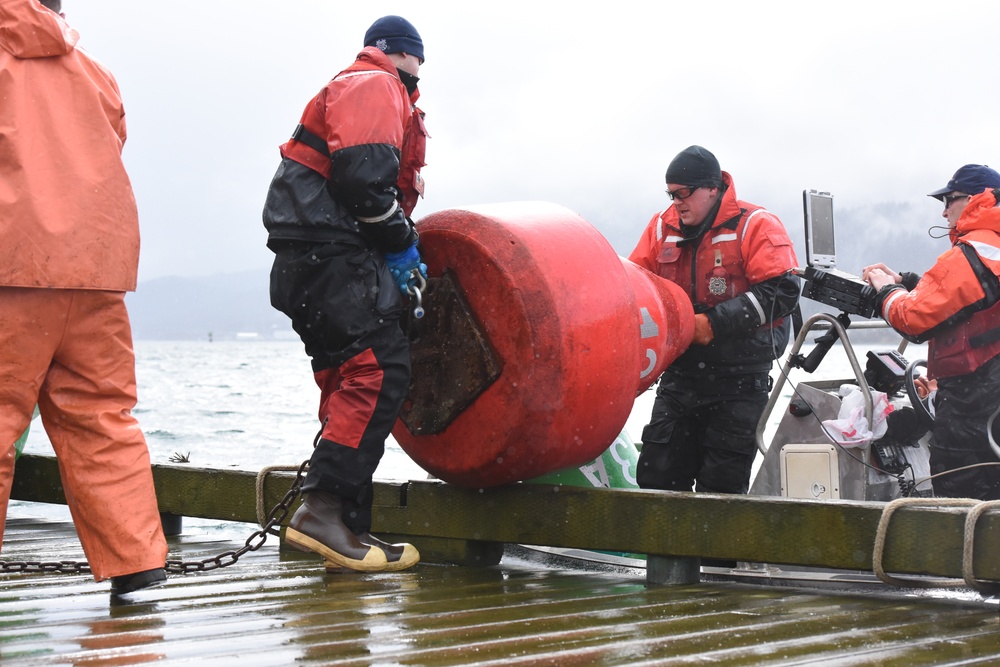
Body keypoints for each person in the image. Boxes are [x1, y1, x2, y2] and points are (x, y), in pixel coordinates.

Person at [0, 0, 168, 594]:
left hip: (13, 268)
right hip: (95, 269)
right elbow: (112, 141)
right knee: (102, 416)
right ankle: (137, 562)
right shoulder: (94, 71)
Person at [262, 16, 429, 572]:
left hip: (309, 259)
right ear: (405, 57)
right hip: (330, 254)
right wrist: (402, 244)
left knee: (347, 375)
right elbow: (363, 181)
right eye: (417, 63)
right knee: (378, 370)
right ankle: (323, 509)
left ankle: (346, 528)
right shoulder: (374, 83)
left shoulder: (364, 87)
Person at [629, 146, 800, 495]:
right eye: (671, 194)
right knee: (657, 481)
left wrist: (712, 325)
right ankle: (665, 551)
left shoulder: (756, 225)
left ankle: (711, 552)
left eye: (683, 193)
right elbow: (634, 286)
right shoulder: (662, 228)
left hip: (739, 383)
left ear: (712, 188)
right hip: (680, 377)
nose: (676, 202)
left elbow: (781, 292)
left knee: (720, 492)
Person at [862, 164, 1000, 501]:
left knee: (962, 503)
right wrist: (908, 282)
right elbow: (968, 297)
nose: (943, 210)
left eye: (949, 199)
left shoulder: (978, 249)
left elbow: (914, 319)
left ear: (975, 199)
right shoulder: (989, 246)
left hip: (974, 406)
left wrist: (885, 292)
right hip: (991, 397)